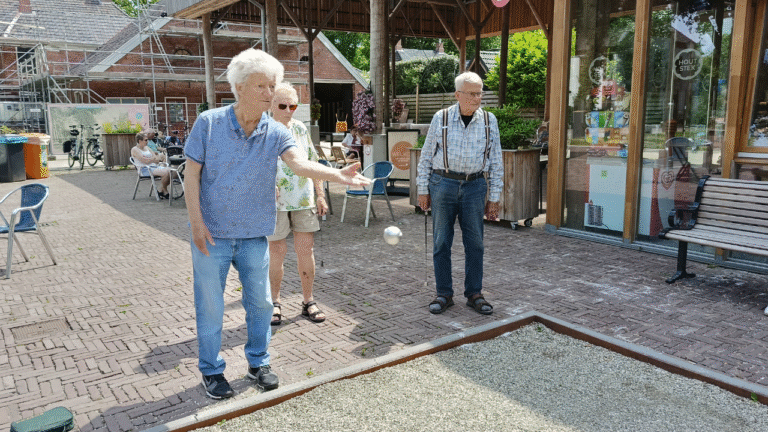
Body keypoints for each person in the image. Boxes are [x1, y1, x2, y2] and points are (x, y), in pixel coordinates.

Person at [184, 48, 370, 400]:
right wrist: (195, 222)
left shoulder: (275, 130)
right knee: (210, 307)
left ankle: (258, 363)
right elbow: (191, 174)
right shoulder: (209, 123)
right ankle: (211, 370)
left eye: (273, 86)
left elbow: (299, 164)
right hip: (213, 236)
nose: (270, 94)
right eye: (262, 87)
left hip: (255, 235)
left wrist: (337, 175)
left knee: (262, 306)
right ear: (239, 88)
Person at [416, 71, 503, 316]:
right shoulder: (440, 118)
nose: (477, 99)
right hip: (443, 183)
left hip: (475, 186)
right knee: (441, 241)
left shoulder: (489, 121)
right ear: (458, 95)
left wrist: (494, 197)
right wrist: (423, 189)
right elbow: (425, 158)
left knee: (475, 243)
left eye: (480, 93)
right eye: (472, 94)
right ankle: (444, 293)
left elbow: (496, 160)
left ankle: (474, 293)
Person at [268, 83, 328, 326]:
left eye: (293, 106)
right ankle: (274, 303)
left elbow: (313, 163)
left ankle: (308, 301)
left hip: (303, 200)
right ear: (271, 105)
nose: (288, 110)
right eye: (283, 106)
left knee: (306, 251)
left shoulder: (301, 129)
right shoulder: (262, 130)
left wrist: (320, 194)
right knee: (276, 254)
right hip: (275, 204)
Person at [131, 132, 171, 199]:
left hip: (153, 166)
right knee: (166, 172)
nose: (147, 142)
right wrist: (153, 158)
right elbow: (145, 161)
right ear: (140, 141)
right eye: (146, 140)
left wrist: (151, 159)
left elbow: (157, 158)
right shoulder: (135, 149)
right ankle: (163, 190)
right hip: (144, 169)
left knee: (171, 171)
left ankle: (161, 189)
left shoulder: (147, 148)